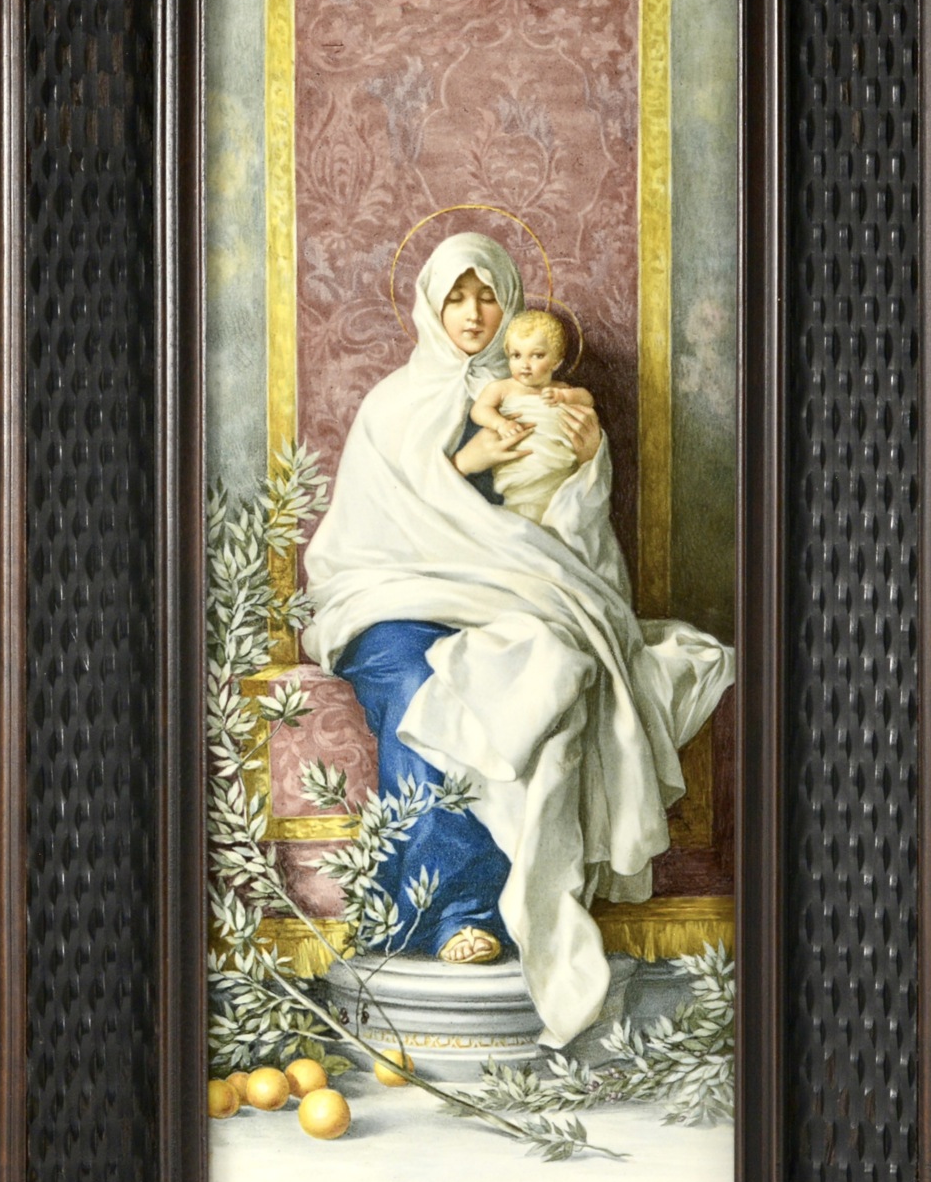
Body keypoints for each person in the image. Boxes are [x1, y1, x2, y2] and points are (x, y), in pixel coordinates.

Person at [300, 231, 733, 1047]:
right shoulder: (392, 404)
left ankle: (495, 902)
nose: (473, 313)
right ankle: (448, 913)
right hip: (391, 591)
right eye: (457, 297)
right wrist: (464, 465)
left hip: (507, 585)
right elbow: (375, 523)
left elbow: (564, 523)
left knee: (547, 675)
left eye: (489, 295)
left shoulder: (543, 395)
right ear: (430, 304)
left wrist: (588, 459)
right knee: (424, 693)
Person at [467, 307, 598, 528]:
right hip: (520, 473)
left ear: (556, 361)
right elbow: (479, 411)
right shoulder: (502, 388)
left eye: (537, 355)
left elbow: (587, 399)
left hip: (558, 471)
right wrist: (501, 423)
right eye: (516, 355)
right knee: (524, 517)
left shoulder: (560, 389)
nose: (525, 365)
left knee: (557, 517)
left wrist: (564, 397)